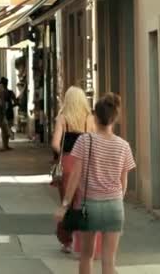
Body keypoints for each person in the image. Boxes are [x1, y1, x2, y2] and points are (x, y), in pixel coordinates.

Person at [54, 93, 136, 274]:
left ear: (95, 117)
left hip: (89, 205)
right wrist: (116, 201)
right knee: (109, 262)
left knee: (86, 256)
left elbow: (75, 176)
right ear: (114, 118)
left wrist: (65, 204)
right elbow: (124, 182)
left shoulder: (85, 140)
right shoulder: (124, 146)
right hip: (114, 206)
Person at [51, 86, 97, 254]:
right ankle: (84, 237)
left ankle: (67, 241)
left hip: (69, 161)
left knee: (67, 202)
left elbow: (55, 143)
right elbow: (94, 141)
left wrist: (63, 155)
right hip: (86, 162)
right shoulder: (90, 119)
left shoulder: (63, 118)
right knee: (83, 200)